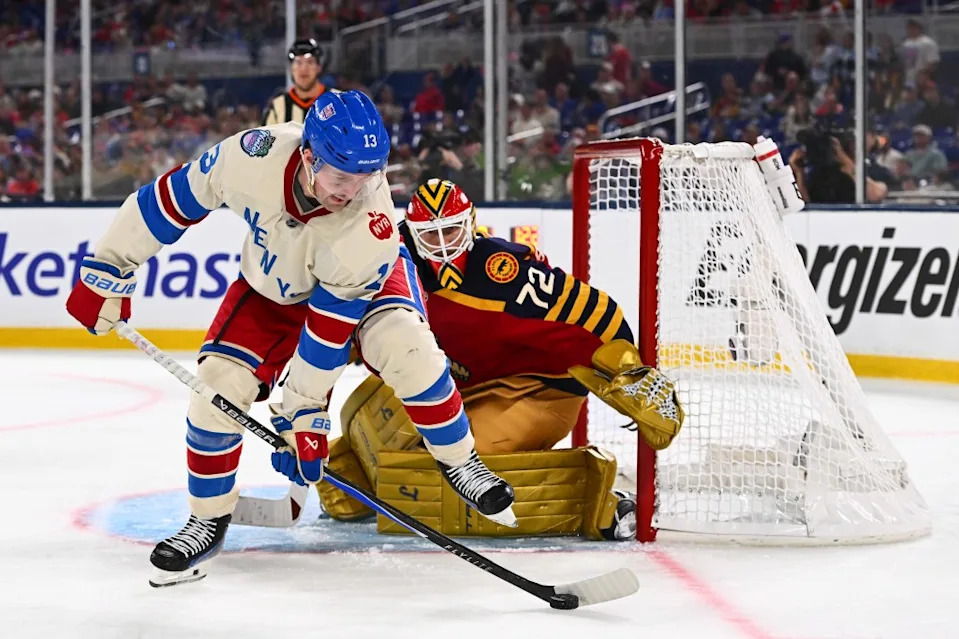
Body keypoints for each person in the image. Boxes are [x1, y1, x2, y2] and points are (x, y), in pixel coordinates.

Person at [65, 92, 515, 587]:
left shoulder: (371, 227)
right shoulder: (249, 158)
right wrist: (109, 266)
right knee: (214, 388)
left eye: (367, 175)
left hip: (365, 287)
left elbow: (327, 333)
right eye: (341, 176)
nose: (353, 190)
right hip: (271, 286)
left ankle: (460, 462)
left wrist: (303, 415)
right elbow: (168, 202)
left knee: (412, 352)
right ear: (307, 156)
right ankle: (208, 518)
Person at [318, 179, 685, 541]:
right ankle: (357, 476)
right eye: (431, 236)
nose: (443, 247)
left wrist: (626, 368)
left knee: (463, 469)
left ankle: (597, 502)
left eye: (451, 232)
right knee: (370, 412)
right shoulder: (390, 262)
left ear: (471, 225)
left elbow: (588, 310)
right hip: (460, 377)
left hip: (539, 388)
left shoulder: (501, 272)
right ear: (412, 233)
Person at [262, 39, 328, 125]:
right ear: (291, 68)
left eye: (310, 62)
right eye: (298, 62)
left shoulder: (339, 100)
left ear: (319, 67)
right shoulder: (277, 107)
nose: (304, 69)